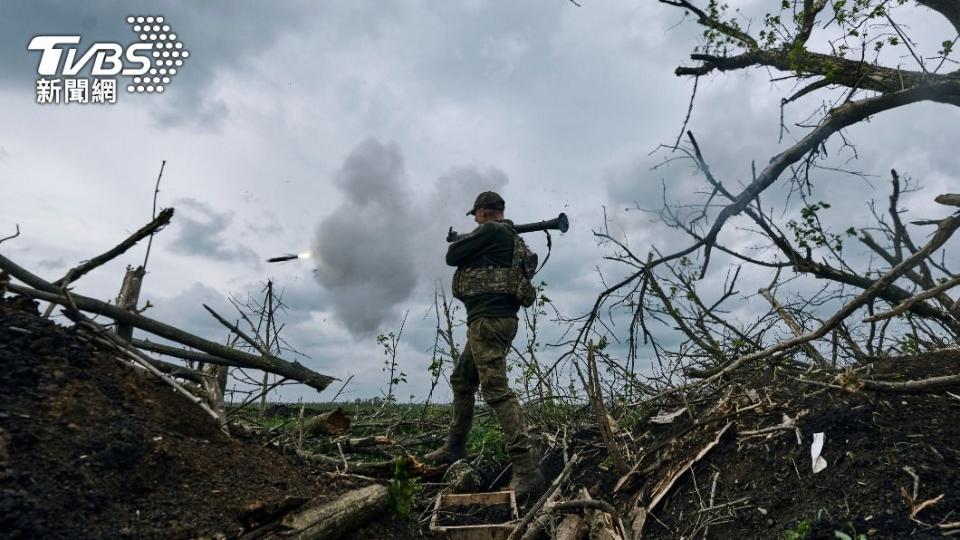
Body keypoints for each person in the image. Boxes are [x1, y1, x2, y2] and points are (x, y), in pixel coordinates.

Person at [425, 191, 545, 500]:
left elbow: (452, 256)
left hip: (488, 322)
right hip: (493, 321)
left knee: (496, 391)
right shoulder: (508, 237)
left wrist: (467, 239)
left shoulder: (492, 231)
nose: (475, 220)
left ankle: (527, 470)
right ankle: (454, 448)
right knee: (463, 380)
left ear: (484, 212)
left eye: (476, 215)